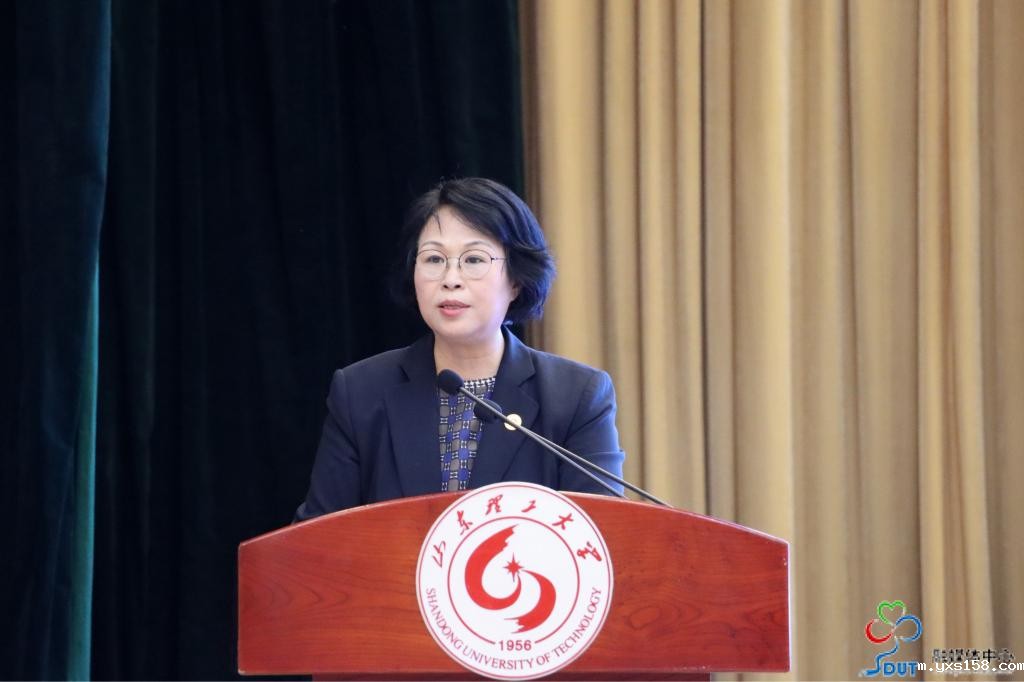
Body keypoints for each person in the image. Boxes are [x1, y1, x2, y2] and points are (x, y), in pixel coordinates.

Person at [294, 177, 625, 521]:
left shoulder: (576, 397)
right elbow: (315, 539)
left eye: (474, 260)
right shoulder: (361, 393)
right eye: (434, 259)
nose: (450, 279)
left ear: (516, 280)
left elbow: (600, 536)